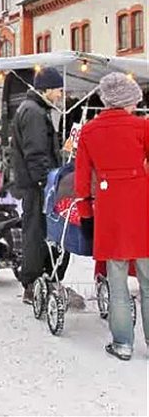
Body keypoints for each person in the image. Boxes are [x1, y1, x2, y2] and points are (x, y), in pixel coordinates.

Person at [74, 73, 149, 361]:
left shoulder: (89, 131)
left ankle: (123, 344)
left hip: (109, 209)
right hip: (142, 206)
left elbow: (82, 180)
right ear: (128, 100)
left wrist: (86, 214)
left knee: (117, 280)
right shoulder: (143, 127)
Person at [9, 67, 67, 304]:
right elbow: (35, 152)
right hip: (38, 184)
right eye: (59, 90)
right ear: (47, 89)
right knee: (36, 232)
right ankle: (32, 284)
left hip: (35, 182)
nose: (61, 95)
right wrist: (45, 181)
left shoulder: (34, 108)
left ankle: (38, 281)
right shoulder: (33, 112)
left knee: (37, 231)